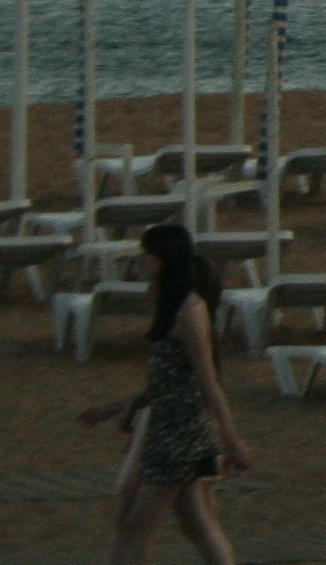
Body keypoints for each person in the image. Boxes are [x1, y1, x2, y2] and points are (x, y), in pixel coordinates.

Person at [79, 221, 252, 564]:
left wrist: (232, 439)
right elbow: (167, 380)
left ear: (164, 258)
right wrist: (117, 406)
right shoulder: (167, 303)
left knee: (136, 528)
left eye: (149, 255)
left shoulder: (190, 310)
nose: (144, 261)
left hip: (180, 435)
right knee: (194, 523)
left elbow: (207, 379)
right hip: (166, 428)